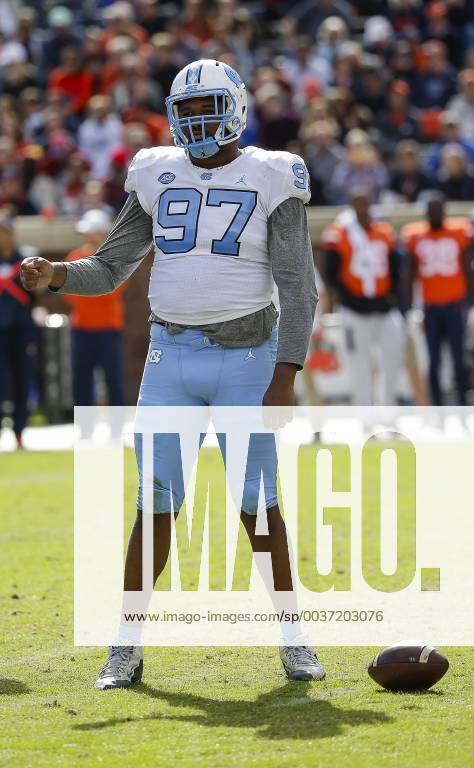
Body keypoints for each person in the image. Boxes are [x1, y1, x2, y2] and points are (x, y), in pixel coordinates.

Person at [21, 59, 323, 687]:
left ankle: (295, 640)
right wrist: (56, 275)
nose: (195, 120)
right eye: (185, 110)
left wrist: (286, 370)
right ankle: (125, 648)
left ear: (237, 108)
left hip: (248, 359)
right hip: (169, 359)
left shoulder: (273, 174)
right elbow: (108, 268)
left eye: (207, 107)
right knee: (154, 505)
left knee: (257, 507)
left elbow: (299, 288)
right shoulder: (155, 172)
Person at [321, 188, 404, 405]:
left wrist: (391, 297)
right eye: (358, 203)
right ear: (350, 205)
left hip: (384, 309)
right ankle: (364, 412)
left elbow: (395, 269)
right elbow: (331, 274)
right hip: (354, 310)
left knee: (392, 360)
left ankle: (388, 409)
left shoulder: (384, 231)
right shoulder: (338, 233)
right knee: (359, 366)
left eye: (366, 202)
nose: (363, 208)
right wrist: (350, 300)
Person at [401, 193, 474, 405]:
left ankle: (462, 403)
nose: (434, 213)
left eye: (437, 209)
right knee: (433, 360)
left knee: (459, 358)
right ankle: (437, 406)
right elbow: (410, 274)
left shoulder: (459, 231)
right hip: (430, 307)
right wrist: (408, 307)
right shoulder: (415, 235)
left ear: (444, 210)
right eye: (430, 209)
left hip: (454, 304)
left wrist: (470, 303)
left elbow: (467, 270)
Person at [63, 209, 127, 407]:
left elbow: (114, 290)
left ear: (103, 233)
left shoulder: (115, 257)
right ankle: (84, 432)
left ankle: (116, 430)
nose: (88, 236)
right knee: (81, 380)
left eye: (92, 231)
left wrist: (86, 290)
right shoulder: (74, 256)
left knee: (113, 379)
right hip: (81, 327)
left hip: (109, 327)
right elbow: (68, 293)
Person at [0, 213, 37, 449]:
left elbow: (36, 297)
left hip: (22, 332)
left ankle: (19, 432)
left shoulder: (25, 261)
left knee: (22, 382)